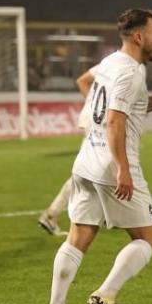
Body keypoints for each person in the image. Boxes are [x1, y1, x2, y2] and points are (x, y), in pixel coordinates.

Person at [42, 8, 152, 304]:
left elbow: (128, 105)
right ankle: (106, 295)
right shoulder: (130, 72)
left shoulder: (110, 63)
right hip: (112, 166)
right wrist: (123, 170)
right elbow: (114, 119)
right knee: (147, 239)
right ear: (139, 37)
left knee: (78, 236)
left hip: (85, 163)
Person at [38, 67, 100, 236]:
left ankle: (52, 214)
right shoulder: (120, 63)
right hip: (99, 123)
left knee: (96, 170)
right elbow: (82, 81)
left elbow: (82, 80)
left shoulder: (114, 62)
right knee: (100, 169)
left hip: (95, 121)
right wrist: (97, 107)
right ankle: (51, 214)